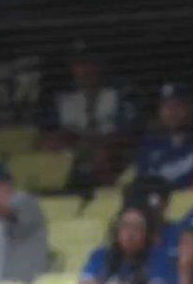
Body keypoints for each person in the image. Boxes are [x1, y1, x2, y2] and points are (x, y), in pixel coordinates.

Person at [40, 40, 138, 188]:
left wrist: (99, 145)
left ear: (99, 64)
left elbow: (128, 133)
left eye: (89, 63)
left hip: (112, 157)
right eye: (78, 64)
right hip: (74, 156)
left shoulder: (120, 92)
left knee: (104, 154)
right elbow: (52, 134)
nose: (85, 70)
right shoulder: (62, 97)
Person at [137, 83, 193, 190]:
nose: (171, 112)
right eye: (166, 106)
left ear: (192, 108)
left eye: (177, 105)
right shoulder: (150, 146)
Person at [80, 204, 173, 284]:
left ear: (146, 234)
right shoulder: (100, 255)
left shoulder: (159, 258)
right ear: (116, 230)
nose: (130, 232)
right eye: (125, 225)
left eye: (137, 226)